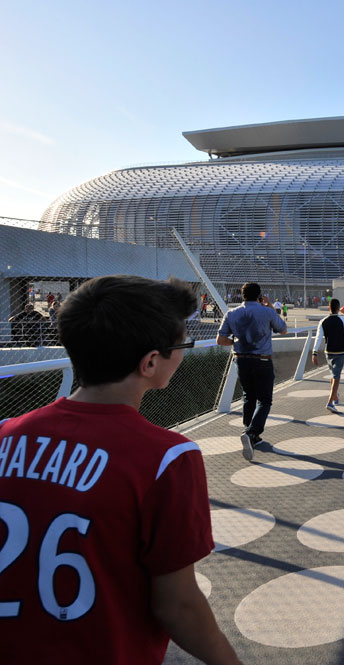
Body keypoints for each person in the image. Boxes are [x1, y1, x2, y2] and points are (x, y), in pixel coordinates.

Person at [0, 275, 243, 665]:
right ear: (150, 362)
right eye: (182, 346)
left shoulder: (5, 435)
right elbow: (178, 606)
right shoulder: (167, 458)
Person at [216, 282, 287, 462]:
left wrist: (236, 342)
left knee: (248, 396)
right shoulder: (267, 312)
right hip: (262, 360)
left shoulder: (231, 313)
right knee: (265, 400)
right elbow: (283, 329)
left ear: (242, 295)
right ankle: (251, 433)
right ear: (259, 296)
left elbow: (220, 340)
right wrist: (270, 307)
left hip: (241, 359)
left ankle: (250, 435)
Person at [311, 298, 344, 413]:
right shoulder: (343, 320)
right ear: (339, 308)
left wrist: (314, 353)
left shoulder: (323, 321)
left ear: (329, 308)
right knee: (336, 377)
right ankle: (330, 402)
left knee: (333, 375)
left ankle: (335, 397)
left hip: (328, 352)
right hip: (339, 351)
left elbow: (318, 338)